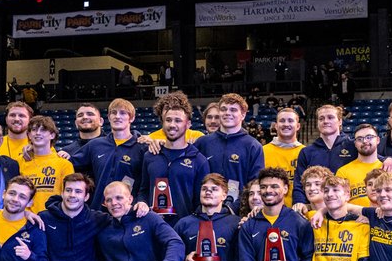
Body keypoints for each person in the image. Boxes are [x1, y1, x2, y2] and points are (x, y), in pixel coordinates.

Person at [138, 92, 210, 226]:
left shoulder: (199, 160)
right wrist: (141, 202)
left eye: (178, 120)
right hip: (153, 227)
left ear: (188, 124)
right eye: (168, 120)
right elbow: (143, 190)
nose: (172, 125)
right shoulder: (150, 155)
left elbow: (200, 202)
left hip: (184, 228)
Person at [233, 168, 314, 261]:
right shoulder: (248, 226)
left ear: (285, 189)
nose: (268, 190)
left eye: (274, 186)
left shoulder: (300, 223)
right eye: (263, 187)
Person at [96, 181, 184, 261]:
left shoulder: (148, 218)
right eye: (108, 200)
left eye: (119, 198)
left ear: (130, 199)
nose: (114, 203)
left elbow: (175, 243)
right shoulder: (103, 227)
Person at [74, 98, 147, 210]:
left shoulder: (142, 147)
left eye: (123, 113)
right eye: (114, 113)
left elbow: (147, 182)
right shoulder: (95, 145)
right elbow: (70, 163)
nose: (117, 116)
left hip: (128, 212)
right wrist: (62, 154)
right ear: (109, 117)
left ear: (131, 118)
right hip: (99, 212)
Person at [195, 93, 265, 209]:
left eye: (233, 110)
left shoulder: (253, 146)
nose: (227, 113)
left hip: (238, 213)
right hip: (205, 210)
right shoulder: (203, 143)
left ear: (243, 115)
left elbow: (254, 184)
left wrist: (233, 208)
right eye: (223, 109)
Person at [174, 173, 240, 261]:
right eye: (204, 189)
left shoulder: (236, 223)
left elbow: (241, 257)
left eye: (214, 189)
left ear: (224, 195)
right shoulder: (183, 224)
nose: (208, 192)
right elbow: (172, 254)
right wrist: (185, 260)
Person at [293, 104, 356, 209]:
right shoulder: (307, 152)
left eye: (330, 117)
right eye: (321, 118)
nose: (325, 121)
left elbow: (372, 158)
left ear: (340, 121)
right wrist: (299, 203)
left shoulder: (353, 146)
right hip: (317, 209)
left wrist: (387, 159)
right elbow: (299, 184)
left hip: (348, 208)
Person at [19, 115, 75, 212]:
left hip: (54, 219)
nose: (38, 133)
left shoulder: (64, 164)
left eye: (43, 130)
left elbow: (69, 196)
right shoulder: (19, 161)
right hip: (25, 219)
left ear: (52, 135)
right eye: (34, 129)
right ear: (29, 135)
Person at [261, 107, 303, 207]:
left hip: (299, 213)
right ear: (276, 126)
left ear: (298, 126)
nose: (286, 124)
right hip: (268, 212)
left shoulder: (305, 152)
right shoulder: (262, 151)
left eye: (290, 121)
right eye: (282, 121)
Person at [337, 123, 384, 206]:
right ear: (355, 144)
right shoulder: (343, 172)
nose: (365, 141)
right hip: (353, 218)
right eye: (359, 139)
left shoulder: (387, 169)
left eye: (369, 137)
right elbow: (338, 204)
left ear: (378, 140)